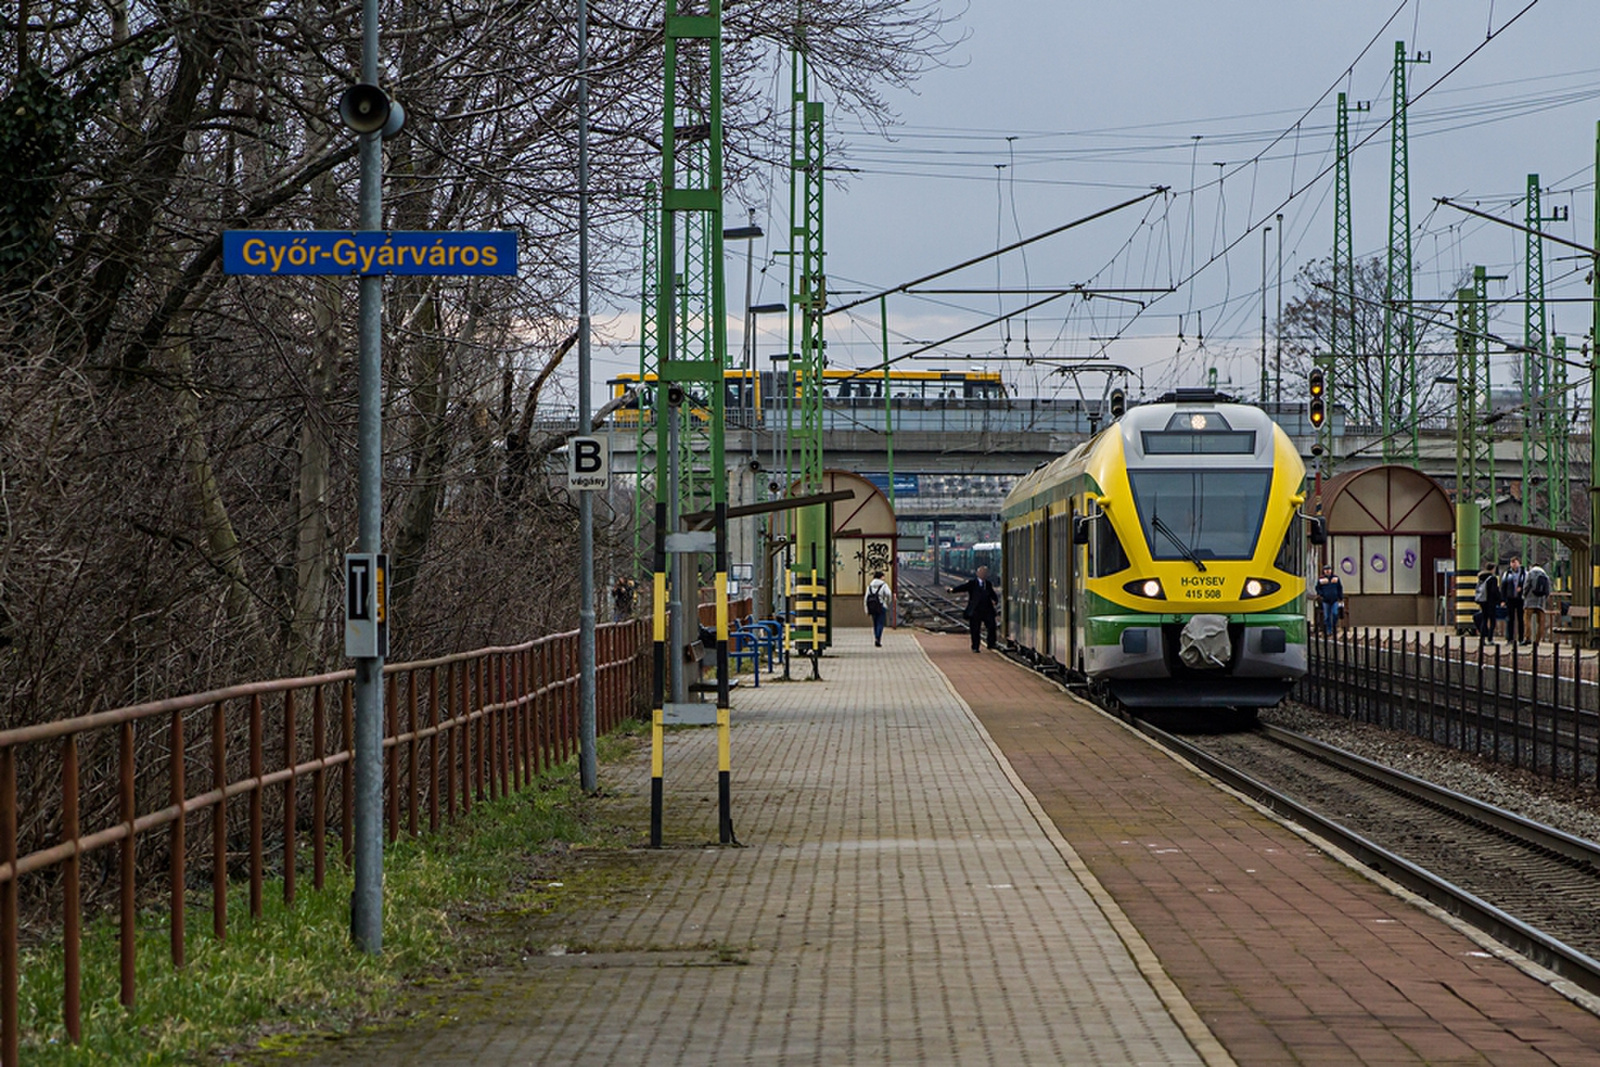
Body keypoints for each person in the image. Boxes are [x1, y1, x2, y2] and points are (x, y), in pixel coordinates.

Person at [950, 565, 1000, 653]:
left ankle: (991, 644)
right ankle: (975, 646)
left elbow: (992, 594)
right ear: (977, 574)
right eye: (982, 573)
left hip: (987, 609)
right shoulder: (972, 583)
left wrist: (995, 600)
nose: (983, 574)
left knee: (992, 626)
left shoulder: (988, 584)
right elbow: (963, 587)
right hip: (975, 610)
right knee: (975, 629)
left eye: (985, 573)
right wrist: (952, 590)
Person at [864, 570, 894, 647]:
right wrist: (887, 602)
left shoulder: (869, 586)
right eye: (883, 576)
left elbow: (866, 598)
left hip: (872, 607)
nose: (884, 578)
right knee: (880, 623)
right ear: (880, 577)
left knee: (875, 623)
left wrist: (866, 610)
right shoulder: (884, 585)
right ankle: (878, 638)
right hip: (881, 606)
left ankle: (876, 637)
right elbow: (888, 594)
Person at [1524, 563, 1551, 645]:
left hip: (1530, 600)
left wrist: (1524, 595)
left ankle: (1528, 637)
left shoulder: (1530, 573)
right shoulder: (1545, 575)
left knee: (1527, 619)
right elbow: (1548, 589)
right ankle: (1537, 640)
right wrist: (1545, 598)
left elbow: (1526, 586)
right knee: (1541, 622)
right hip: (1541, 601)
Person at [1501, 557, 1526, 645]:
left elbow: (1527, 585)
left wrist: (1521, 589)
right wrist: (1503, 600)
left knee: (1521, 619)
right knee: (1510, 619)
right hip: (1510, 599)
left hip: (1520, 599)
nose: (1513, 564)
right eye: (1512, 563)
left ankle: (1521, 638)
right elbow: (1503, 587)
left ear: (1519, 563)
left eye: (1515, 562)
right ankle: (1510, 638)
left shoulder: (1524, 573)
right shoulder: (1507, 574)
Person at [1313, 565, 1343, 637]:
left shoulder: (1336, 578)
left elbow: (1339, 587)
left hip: (1334, 599)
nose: (1327, 571)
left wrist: (1340, 597)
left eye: (1328, 569)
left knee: (1335, 614)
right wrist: (1321, 594)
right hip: (1325, 600)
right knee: (1327, 616)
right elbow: (1317, 588)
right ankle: (1328, 630)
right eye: (1326, 569)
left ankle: (1333, 627)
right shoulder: (1321, 579)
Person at [1474, 567, 1500, 642]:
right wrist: (1499, 599)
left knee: (1484, 620)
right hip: (1491, 602)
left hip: (1483, 601)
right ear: (1493, 569)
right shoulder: (1493, 578)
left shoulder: (1481, 578)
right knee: (1492, 621)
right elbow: (1494, 590)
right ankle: (1490, 638)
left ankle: (1482, 639)